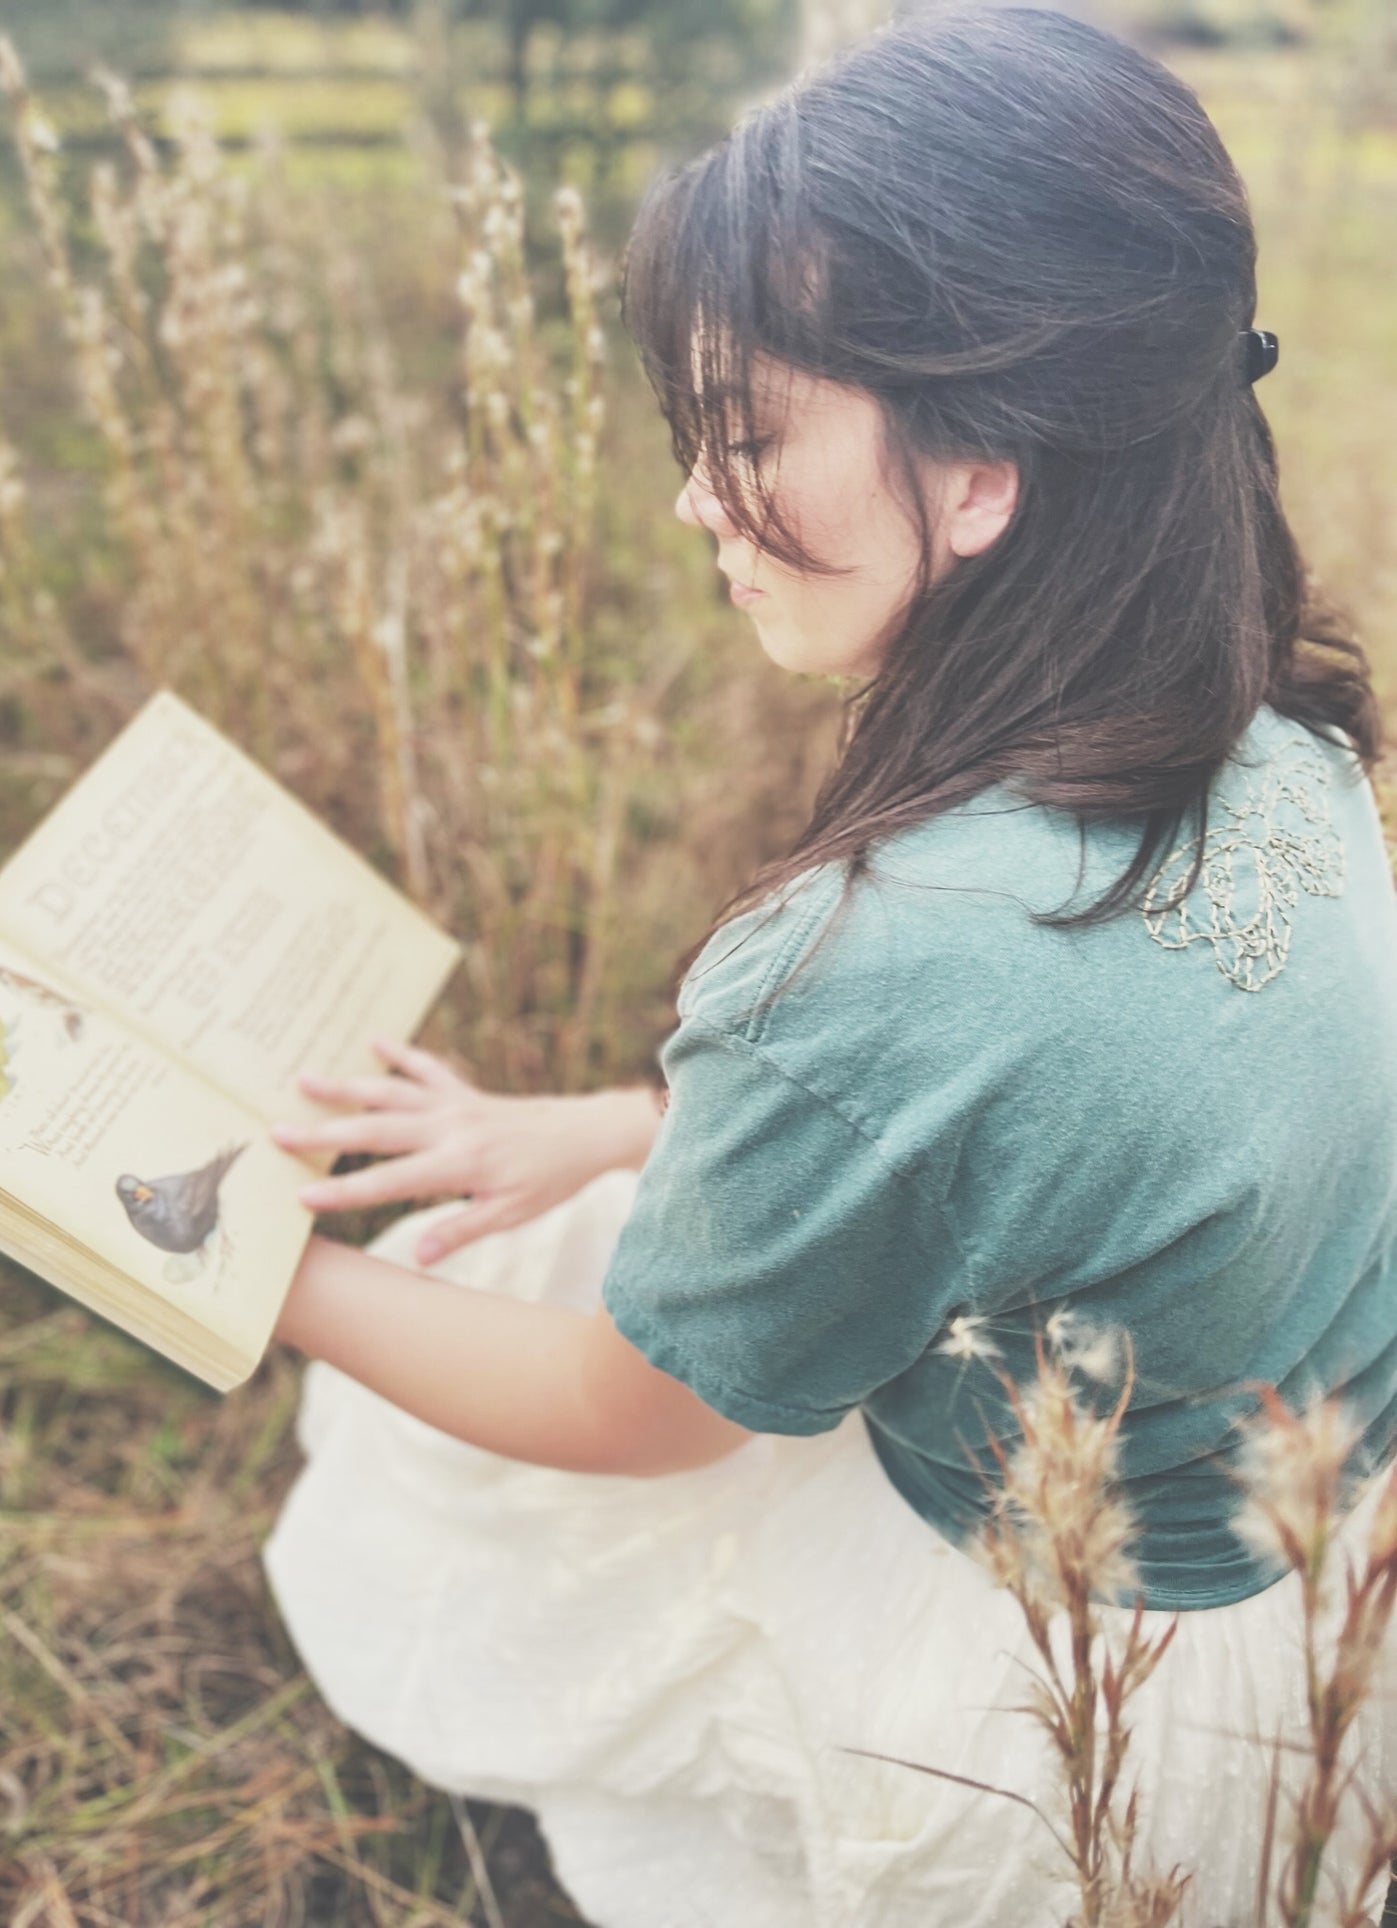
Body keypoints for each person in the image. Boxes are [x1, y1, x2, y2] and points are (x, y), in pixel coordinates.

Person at [259, 7, 1397, 1924]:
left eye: (750, 436)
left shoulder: (874, 961)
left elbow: (637, 1413)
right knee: (542, 1232)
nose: (697, 502)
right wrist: (615, 1124)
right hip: (1299, 1586)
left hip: (1066, 1676)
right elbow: (1040, 1106)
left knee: (449, 1425)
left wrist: (258, 1273)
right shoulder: (1280, 737)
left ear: (981, 475)